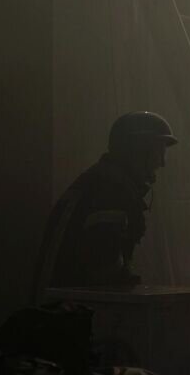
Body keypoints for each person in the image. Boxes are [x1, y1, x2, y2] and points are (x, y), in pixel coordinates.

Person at [31, 112, 177, 300]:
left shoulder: (102, 181)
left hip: (59, 310)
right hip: (69, 316)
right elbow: (105, 275)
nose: (162, 163)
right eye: (158, 152)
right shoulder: (111, 192)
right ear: (138, 151)